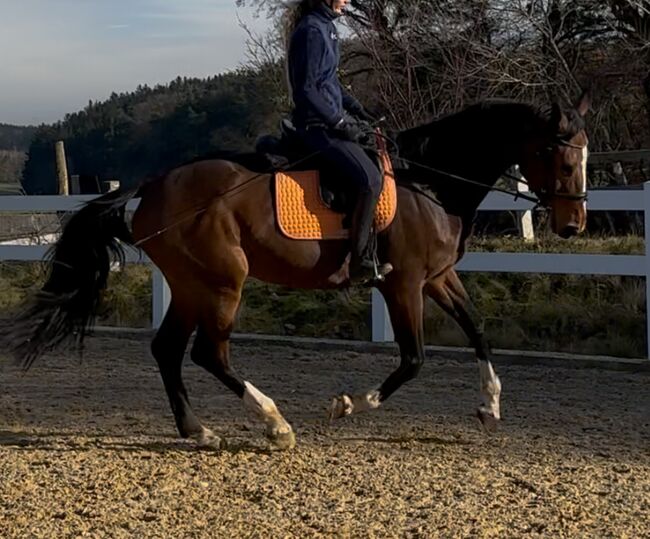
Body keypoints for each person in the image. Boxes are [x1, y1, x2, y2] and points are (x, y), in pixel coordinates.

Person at [285, 0, 392, 284]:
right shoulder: (311, 31)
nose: (346, 0)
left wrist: (358, 110)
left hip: (332, 121)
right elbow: (307, 89)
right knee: (370, 180)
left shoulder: (327, 27)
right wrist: (339, 122)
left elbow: (329, 82)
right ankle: (359, 260)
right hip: (317, 127)